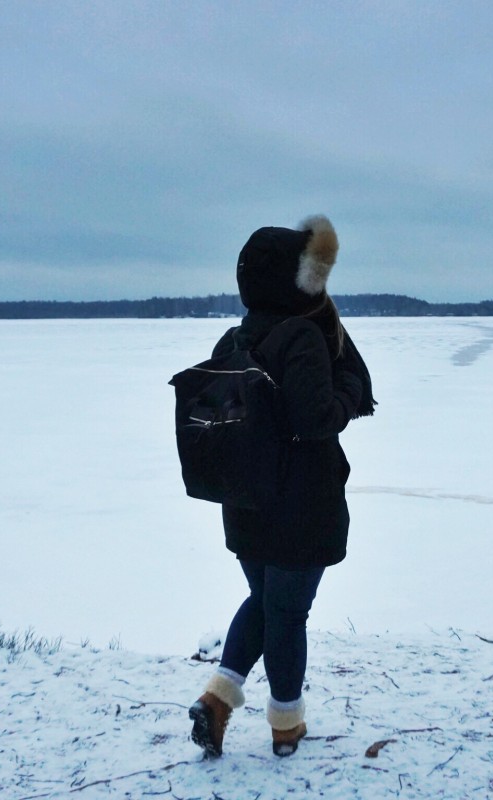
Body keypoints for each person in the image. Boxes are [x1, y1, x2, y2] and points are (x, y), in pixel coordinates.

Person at [188, 214, 376, 758]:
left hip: (246, 502)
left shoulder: (237, 334)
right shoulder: (303, 336)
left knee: (264, 600)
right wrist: (345, 389)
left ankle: (217, 700)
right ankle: (286, 726)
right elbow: (314, 419)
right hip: (299, 504)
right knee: (288, 615)